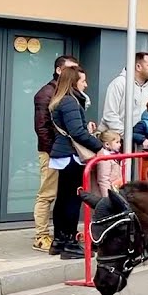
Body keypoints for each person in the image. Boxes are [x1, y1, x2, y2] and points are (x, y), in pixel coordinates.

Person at [48, 66, 105, 260]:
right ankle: (70, 243)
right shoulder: (71, 102)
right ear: (74, 82)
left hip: (62, 155)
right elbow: (77, 133)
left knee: (63, 198)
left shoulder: (59, 101)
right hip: (71, 155)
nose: (86, 85)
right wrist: (99, 146)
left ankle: (59, 241)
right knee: (73, 199)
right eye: (83, 81)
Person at [32, 54, 79, 252]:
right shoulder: (46, 93)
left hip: (64, 153)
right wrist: (52, 152)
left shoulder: (68, 93)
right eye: (71, 69)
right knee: (47, 194)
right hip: (51, 152)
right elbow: (42, 127)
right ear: (59, 70)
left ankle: (62, 235)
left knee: (64, 195)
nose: (75, 74)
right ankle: (41, 236)